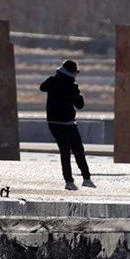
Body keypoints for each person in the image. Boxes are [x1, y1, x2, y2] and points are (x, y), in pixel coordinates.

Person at [40, 59, 94, 191]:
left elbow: (43, 87)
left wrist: (55, 77)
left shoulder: (52, 81)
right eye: (76, 72)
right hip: (67, 124)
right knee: (78, 151)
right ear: (72, 72)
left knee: (64, 152)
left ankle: (69, 181)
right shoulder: (71, 87)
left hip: (53, 123)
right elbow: (80, 105)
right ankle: (86, 179)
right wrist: (79, 94)